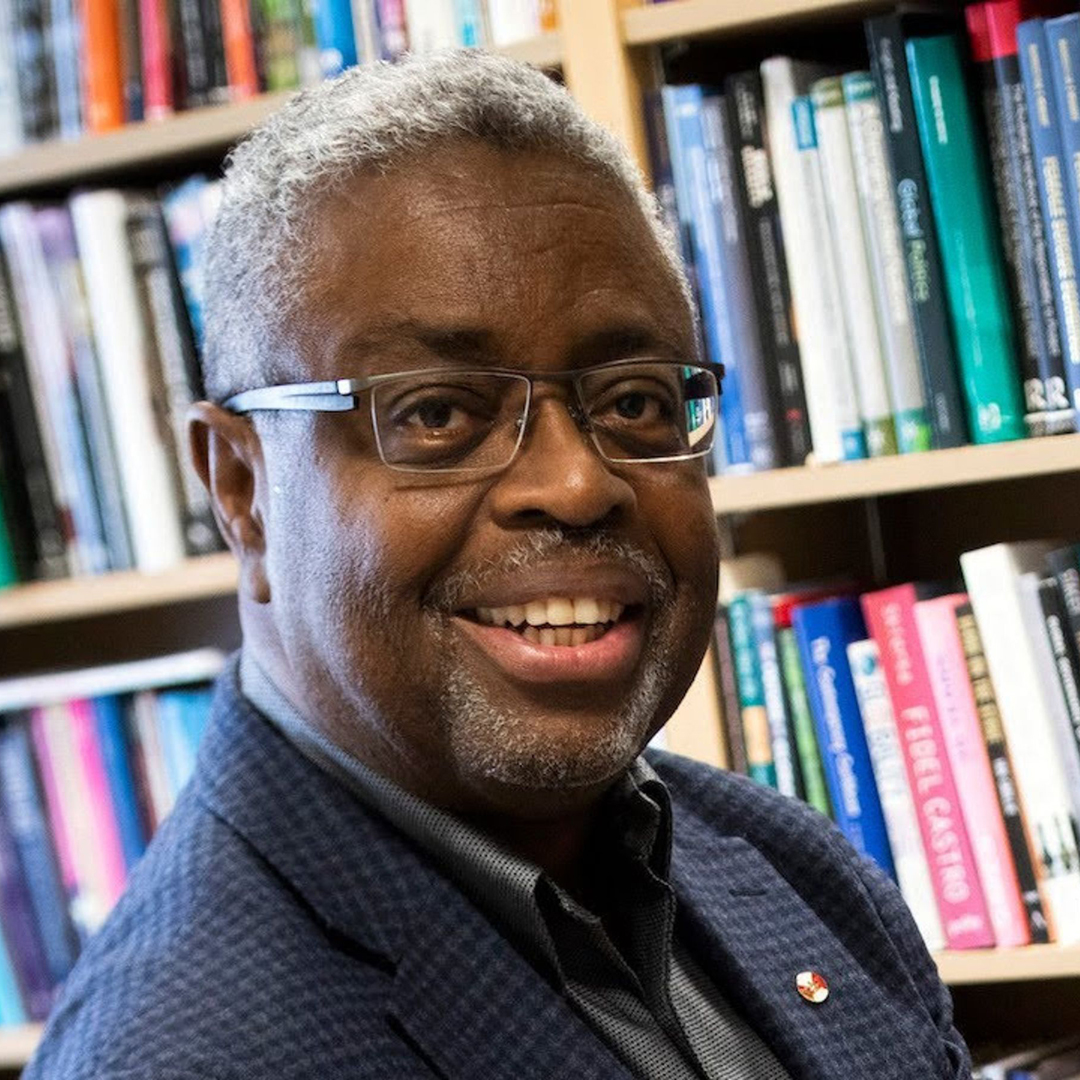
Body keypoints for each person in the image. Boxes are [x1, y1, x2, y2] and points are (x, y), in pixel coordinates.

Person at [25, 51, 972, 1080]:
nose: (574, 485)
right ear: (242, 488)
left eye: (636, 400)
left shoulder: (793, 867)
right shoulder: (181, 1058)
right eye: (438, 412)